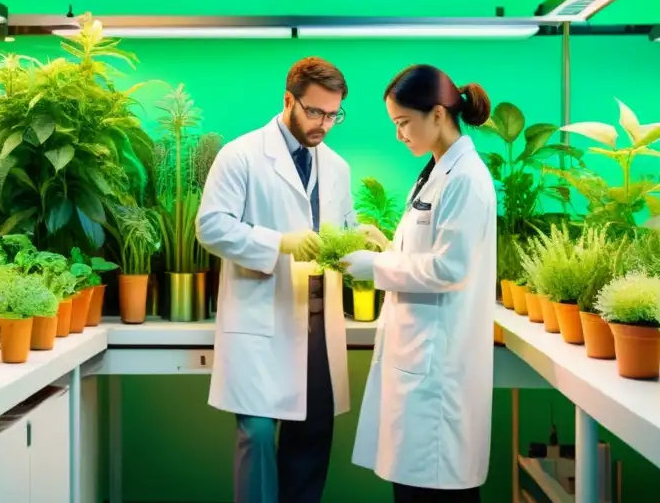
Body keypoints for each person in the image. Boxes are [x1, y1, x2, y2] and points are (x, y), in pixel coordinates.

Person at [195, 57, 357, 503]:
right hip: (261, 318)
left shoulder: (337, 167)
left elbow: (339, 235)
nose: (324, 123)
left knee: (313, 435)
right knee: (258, 434)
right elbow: (210, 226)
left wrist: (358, 241)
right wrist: (279, 243)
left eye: (333, 114)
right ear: (289, 100)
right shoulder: (241, 155)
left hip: (318, 321)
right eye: (314, 112)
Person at [341, 64, 497, 503]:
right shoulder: (435, 171)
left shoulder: (466, 178)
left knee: (433, 489)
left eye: (403, 123)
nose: (399, 135)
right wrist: (386, 249)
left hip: (438, 373)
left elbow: (449, 269)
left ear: (438, 116)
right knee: (411, 487)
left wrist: (375, 266)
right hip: (418, 359)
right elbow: (423, 254)